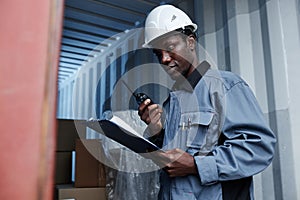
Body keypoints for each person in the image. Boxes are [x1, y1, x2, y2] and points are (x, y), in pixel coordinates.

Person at [138, 4, 276, 200]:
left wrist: (196, 165)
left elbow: (259, 148)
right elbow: (174, 159)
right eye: (158, 53)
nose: (164, 59)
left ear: (191, 42)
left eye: (170, 48)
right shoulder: (172, 102)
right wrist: (157, 131)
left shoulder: (226, 86)